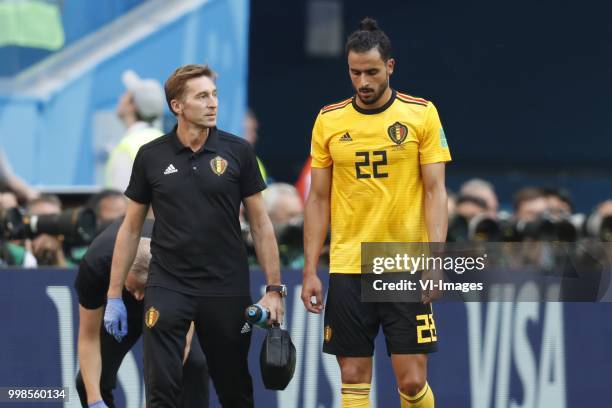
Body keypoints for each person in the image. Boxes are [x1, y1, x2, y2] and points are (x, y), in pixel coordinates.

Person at [104, 64, 284, 407]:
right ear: (177, 106)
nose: (213, 103)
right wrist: (114, 295)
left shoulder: (239, 152)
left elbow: (261, 225)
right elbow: (129, 228)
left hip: (226, 288)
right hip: (168, 285)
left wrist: (274, 289)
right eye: (202, 96)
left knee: (236, 394)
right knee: (161, 394)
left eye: (214, 95)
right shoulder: (151, 156)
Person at [301, 18, 451, 408]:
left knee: (413, 382)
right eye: (355, 73)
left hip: (404, 261)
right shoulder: (329, 120)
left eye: (370, 71)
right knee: (352, 377)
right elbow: (317, 199)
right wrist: (309, 270)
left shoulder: (422, 114)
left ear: (390, 67)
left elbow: (436, 192)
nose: (363, 81)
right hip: (349, 264)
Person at [75, 219, 209, 408]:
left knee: (194, 364)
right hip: (118, 303)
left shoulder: (180, 262)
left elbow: (182, 343)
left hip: (163, 297)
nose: (139, 297)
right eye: (134, 288)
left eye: (142, 290)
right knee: (87, 383)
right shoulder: (95, 266)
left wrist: (156, 402)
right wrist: (94, 400)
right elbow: (88, 338)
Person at [105, 70, 165, 191]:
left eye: (126, 94)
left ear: (133, 105)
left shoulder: (127, 146)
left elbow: (122, 200)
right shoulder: (164, 140)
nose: (121, 98)